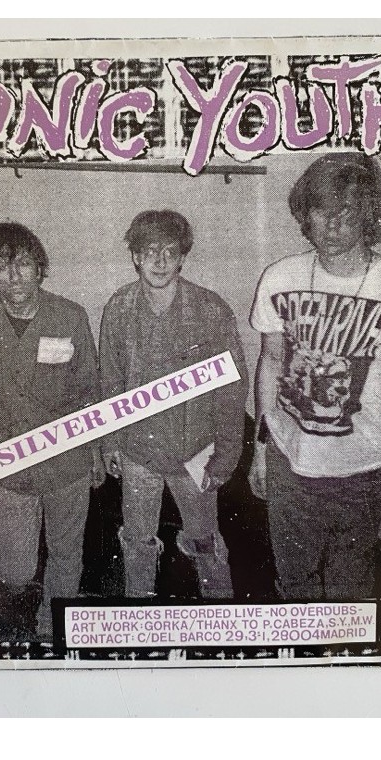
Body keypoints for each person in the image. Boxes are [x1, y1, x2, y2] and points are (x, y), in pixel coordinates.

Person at [249, 153, 381, 601]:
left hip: (365, 472)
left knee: (351, 595)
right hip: (290, 464)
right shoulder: (280, 277)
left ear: (368, 216)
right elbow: (270, 363)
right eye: (321, 212)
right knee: (294, 589)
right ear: (305, 214)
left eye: (345, 214)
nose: (331, 226)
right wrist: (261, 450)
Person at [0, 223, 101, 640]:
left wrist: (96, 452)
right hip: (10, 462)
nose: (15, 276)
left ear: (40, 269)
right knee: (15, 571)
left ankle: (53, 630)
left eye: (24, 264)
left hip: (66, 458)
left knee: (66, 555)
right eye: (3, 266)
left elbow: (90, 389)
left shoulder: (70, 316)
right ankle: (10, 603)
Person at [99, 210, 248, 599]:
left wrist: (226, 455)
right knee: (137, 541)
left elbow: (232, 389)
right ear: (135, 256)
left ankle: (220, 615)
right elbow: (111, 380)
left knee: (204, 540)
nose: (160, 261)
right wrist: (110, 442)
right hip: (138, 451)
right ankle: (139, 612)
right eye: (150, 251)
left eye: (170, 251)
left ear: (183, 257)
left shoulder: (211, 309)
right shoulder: (119, 307)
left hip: (194, 452)